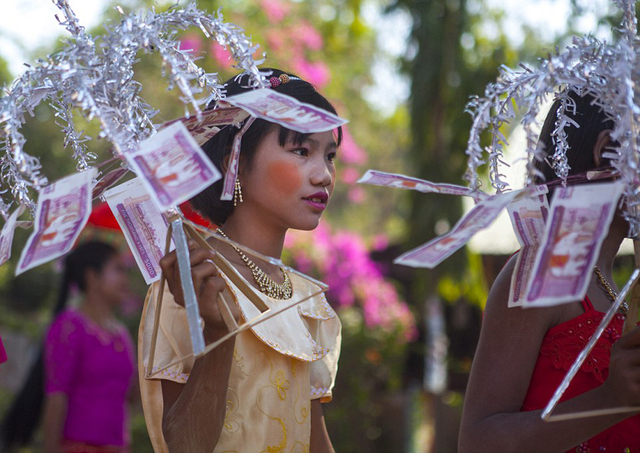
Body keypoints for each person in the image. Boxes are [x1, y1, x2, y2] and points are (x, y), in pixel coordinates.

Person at [138, 68, 343, 453]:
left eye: (329, 156)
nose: (324, 175)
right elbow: (182, 446)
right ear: (236, 159)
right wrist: (217, 333)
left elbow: (314, 439)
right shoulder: (192, 280)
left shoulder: (309, 301)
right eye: (301, 151)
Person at [458, 89, 640, 452]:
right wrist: (608, 401)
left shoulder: (615, 287)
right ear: (608, 152)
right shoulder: (546, 269)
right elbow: (478, 442)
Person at [0, 241, 136, 453]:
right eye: (118, 269)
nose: (125, 279)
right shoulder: (69, 327)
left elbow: (129, 396)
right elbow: (56, 397)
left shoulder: (121, 335)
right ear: (92, 277)